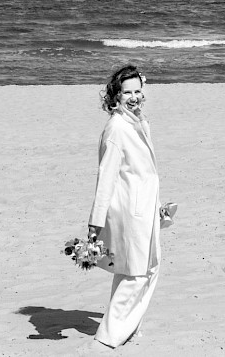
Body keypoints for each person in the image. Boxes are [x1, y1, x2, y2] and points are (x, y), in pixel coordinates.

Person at [88, 64, 164, 348]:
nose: (133, 97)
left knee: (134, 269)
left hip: (145, 206)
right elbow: (105, 178)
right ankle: (108, 337)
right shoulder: (117, 129)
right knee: (139, 272)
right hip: (131, 211)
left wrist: (158, 207)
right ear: (115, 96)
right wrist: (95, 222)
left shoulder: (136, 121)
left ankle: (127, 328)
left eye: (137, 91)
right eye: (127, 92)